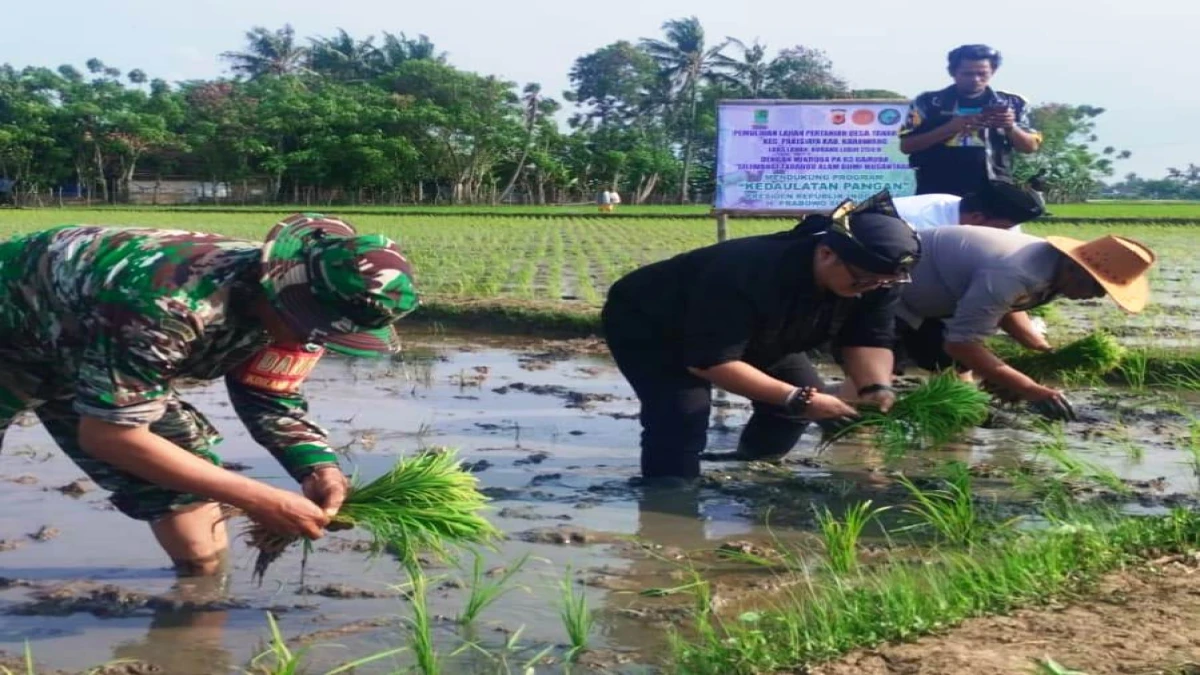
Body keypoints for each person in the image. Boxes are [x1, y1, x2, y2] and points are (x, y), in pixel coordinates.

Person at [0, 213, 419, 576]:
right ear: (284, 292)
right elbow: (109, 435)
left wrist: (317, 467)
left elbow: (271, 392)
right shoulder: (170, 305)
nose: (313, 340)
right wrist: (257, 498)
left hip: (83, 341)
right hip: (15, 328)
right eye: (311, 326)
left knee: (183, 480)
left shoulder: (302, 312)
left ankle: (198, 606)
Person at [601, 191, 921, 479]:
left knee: (794, 407)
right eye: (862, 281)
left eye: (883, 283)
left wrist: (875, 387)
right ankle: (669, 506)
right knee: (681, 417)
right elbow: (711, 361)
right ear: (826, 254)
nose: (870, 289)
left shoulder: (878, 278)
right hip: (652, 323)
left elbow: (869, 339)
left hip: (757, 328)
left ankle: (752, 471)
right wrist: (796, 398)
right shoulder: (749, 271)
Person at [840, 226, 1156, 421]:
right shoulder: (1016, 272)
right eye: (1098, 289)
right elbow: (961, 343)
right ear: (1077, 269)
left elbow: (1005, 307)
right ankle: (844, 437)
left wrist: (1038, 347)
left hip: (936, 305)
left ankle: (955, 442)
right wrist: (1030, 388)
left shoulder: (1052, 271)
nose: (1096, 298)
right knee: (873, 381)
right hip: (890, 293)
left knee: (958, 380)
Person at [899, 44, 1042, 196]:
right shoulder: (927, 102)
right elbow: (906, 146)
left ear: (992, 72)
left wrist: (1010, 127)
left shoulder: (1013, 103)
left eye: (982, 74)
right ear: (953, 72)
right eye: (967, 74)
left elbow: (1030, 147)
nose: (975, 79)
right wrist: (950, 128)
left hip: (993, 189)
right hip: (935, 189)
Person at [894, 178, 1046, 232]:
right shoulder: (919, 225)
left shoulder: (1006, 223)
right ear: (976, 217)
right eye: (1002, 228)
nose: (1007, 233)